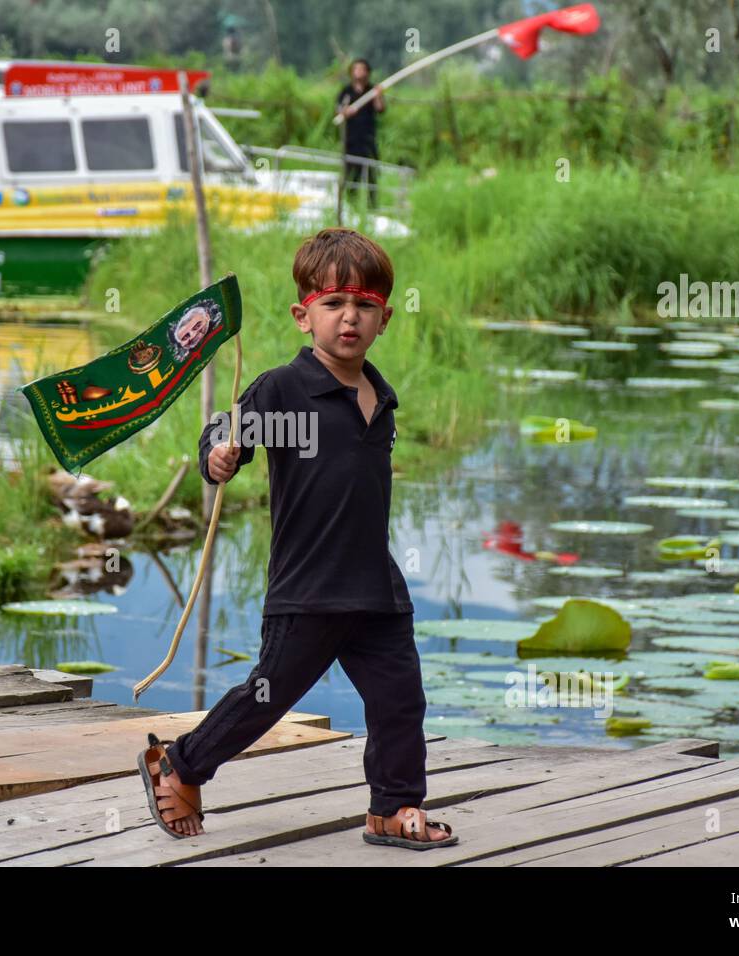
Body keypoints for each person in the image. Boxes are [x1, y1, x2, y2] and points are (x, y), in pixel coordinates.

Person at [138, 228, 457, 850]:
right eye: (334, 303)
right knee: (268, 694)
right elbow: (223, 432)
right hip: (307, 586)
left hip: (375, 587)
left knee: (400, 700)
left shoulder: (380, 395)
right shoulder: (284, 389)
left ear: (385, 318)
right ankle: (180, 762)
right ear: (302, 314)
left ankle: (394, 808)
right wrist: (219, 455)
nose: (349, 318)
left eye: (365, 306)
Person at [335, 59, 385, 207]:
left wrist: (378, 95)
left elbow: (380, 109)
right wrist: (346, 111)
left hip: (368, 140)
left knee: (371, 175)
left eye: (362, 69)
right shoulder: (346, 91)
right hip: (351, 140)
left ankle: (372, 207)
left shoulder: (372, 90)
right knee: (351, 176)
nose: (358, 72)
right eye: (356, 69)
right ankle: (350, 207)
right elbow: (338, 110)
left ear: (367, 72)